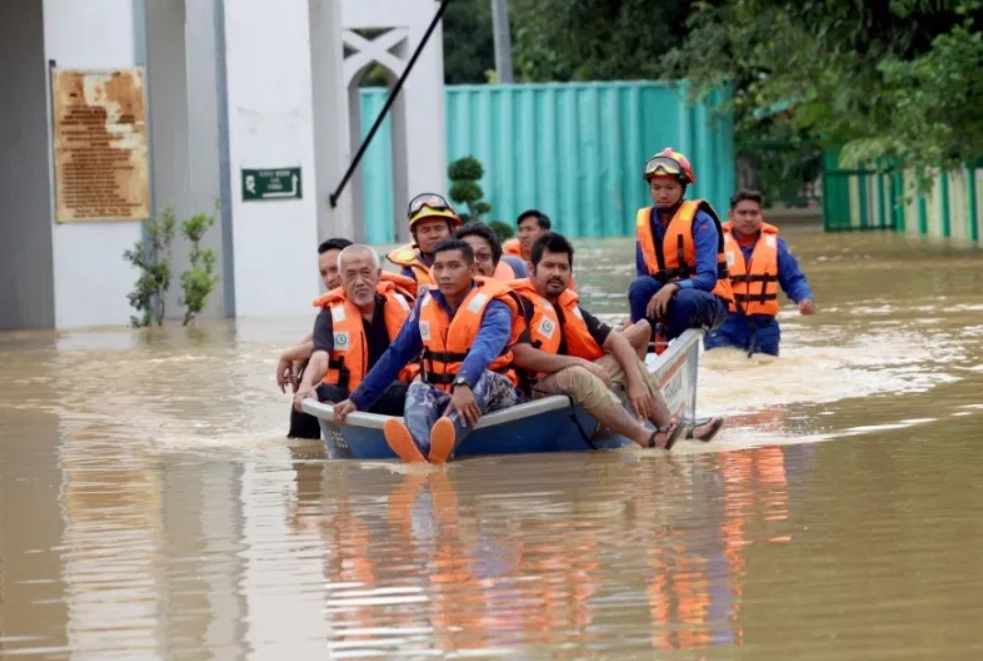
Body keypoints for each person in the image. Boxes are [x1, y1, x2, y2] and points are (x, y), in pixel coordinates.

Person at [333, 239, 524, 465]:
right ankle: (422, 453)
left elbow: (484, 347)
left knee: (485, 379)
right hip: (444, 393)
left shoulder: (496, 306)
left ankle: (442, 442)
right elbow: (397, 353)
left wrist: (463, 382)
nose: (444, 274)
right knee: (419, 385)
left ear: (472, 270)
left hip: (493, 394)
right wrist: (357, 399)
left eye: (454, 266)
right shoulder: (426, 302)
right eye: (439, 267)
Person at [508, 232, 683, 449]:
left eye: (563, 268)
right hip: (531, 388)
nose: (556, 273)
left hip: (565, 377)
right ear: (531, 269)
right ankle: (645, 437)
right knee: (579, 374)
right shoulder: (518, 303)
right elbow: (521, 355)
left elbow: (616, 341)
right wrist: (582, 363)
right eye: (549, 266)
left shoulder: (567, 304)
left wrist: (635, 381)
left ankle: (670, 429)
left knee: (623, 359)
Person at [293, 244, 417, 419]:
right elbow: (320, 356)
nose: (359, 282)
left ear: (378, 276)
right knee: (313, 394)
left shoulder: (403, 306)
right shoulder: (329, 314)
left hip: (389, 394)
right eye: (351, 275)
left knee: (401, 390)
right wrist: (305, 384)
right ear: (342, 281)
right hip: (346, 398)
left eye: (366, 273)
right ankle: (304, 443)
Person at [628, 148, 734, 346]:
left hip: (707, 299)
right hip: (668, 295)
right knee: (639, 286)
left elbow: (708, 279)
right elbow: (643, 275)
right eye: (656, 187)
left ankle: (670, 348)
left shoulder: (701, 221)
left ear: (683, 189)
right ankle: (645, 351)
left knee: (684, 299)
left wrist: (673, 287)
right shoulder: (645, 222)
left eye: (670, 187)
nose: (662, 194)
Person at [704, 189, 816, 357]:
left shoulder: (776, 246)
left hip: (764, 327)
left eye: (754, 213)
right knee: (725, 373)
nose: (748, 218)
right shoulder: (713, 245)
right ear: (731, 214)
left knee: (765, 373)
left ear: (761, 214)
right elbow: (698, 280)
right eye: (743, 213)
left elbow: (794, 280)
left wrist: (804, 298)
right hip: (723, 326)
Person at [279, 237, 353, 439]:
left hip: (366, 389)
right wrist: (296, 361)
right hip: (339, 387)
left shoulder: (377, 300)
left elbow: (332, 341)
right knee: (305, 401)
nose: (329, 278)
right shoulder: (331, 308)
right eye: (324, 273)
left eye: (334, 269)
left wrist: (289, 355)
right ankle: (303, 462)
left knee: (320, 391)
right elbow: (320, 338)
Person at [387, 193, 462, 295]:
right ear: (415, 237)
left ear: (452, 231)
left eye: (439, 228)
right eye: (425, 230)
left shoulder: (471, 263)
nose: (433, 235)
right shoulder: (409, 275)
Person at [504, 209, 577, 290]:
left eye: (529, 229)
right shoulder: (506, 260)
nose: (523, 235)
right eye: (520, 230)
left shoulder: (560, 262)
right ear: (531, 267)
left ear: (545, 233)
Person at [454, 221, 529, 280]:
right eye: (467, 256)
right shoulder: (443, 296)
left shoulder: (517, 295)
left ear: (495, 264)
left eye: (482, 255)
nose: (474, 261)